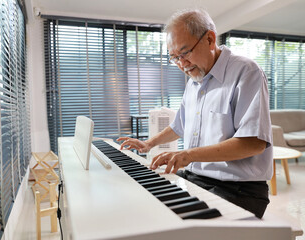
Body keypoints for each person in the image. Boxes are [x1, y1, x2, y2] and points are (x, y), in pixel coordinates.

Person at [117, 8, 273, 219]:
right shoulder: (195, 80)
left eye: (185, 53)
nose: (181, 64)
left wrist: (188, 155)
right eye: (174, 57)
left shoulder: (246, 72)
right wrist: (148, 144)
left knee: (172, 225)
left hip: (238, 189)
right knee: (142, 202)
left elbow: (253, 143)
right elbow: (179, 125)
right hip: (195, 178)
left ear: (210, 39)